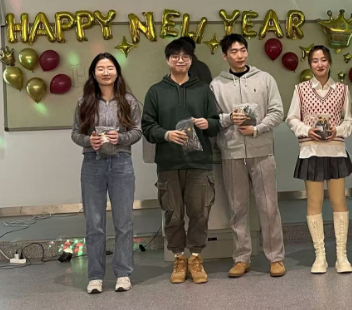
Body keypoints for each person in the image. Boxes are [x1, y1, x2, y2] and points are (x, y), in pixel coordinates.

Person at [142, 39, 221, 285]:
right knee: (173, 214)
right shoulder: (156, 91)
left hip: (199, 163)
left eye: (185, 56)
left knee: (200, 213)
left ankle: (195, 258)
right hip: (169, 163)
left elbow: (216, 122)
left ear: (191, 60)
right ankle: (178, 258)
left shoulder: (203, 89)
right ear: (168, 60)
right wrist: (166, 134)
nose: (180, 60)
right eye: (175, 56)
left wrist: (208, 123)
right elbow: (147, 126)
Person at [210, 33, 286, 278]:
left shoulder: (265, 79)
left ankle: (276, 258)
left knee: (269, 207)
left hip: (262, 151)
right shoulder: (216, 85)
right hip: (232, 153)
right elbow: (212, 119)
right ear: (225, 56)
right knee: (237, 209)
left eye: (243, 50)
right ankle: (242, 258)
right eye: (233, 51)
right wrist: (228, 119)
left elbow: (277, 111)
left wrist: (257, 129)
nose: (240, 55)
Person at [71, 53, 142, 294]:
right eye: (100, 68)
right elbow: (75, 134)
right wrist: (89, 141)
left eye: (110, 68)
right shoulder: (84, 102)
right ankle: (95, 276)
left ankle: (123, 273)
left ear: (117, 71)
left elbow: (137, 131)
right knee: (94, 223)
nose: (105, 72)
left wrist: (119, 137)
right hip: (92, 164)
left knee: (124, 222)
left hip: (121, 163)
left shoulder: (129, 101)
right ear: (93, 73)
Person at [287, 45, 352, 274]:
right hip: (311, 150)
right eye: (315, 60)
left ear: (330, 62)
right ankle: (320, 256)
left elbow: (349, 121)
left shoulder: (343, 89)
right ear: (310, 64)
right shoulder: (300, 89)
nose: (320, 64)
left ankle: (342, 256)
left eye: (323, 59)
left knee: (339, 201)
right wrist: (307, 130)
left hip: (335, 150)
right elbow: (291, 118)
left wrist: (338, 130)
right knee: (314, 202)